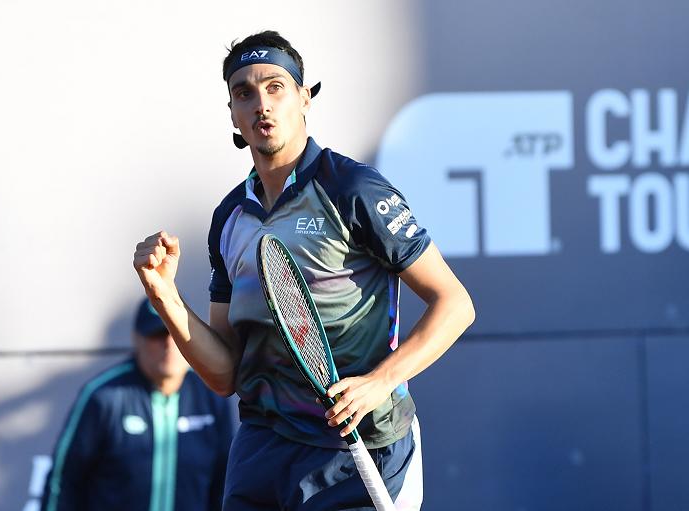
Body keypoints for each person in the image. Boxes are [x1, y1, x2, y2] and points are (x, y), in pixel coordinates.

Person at [133, 30, 475, 510]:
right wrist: (164, 295)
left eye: (275, 87)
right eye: (244, 93)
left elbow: (455, 304)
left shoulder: (353, 188)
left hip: (361, 450)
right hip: (261, 451)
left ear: (305, 98)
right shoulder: (228, 218)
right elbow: (225, 374)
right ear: (232, 114)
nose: (261, 105)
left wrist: (379, 382)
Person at [40, 298, 234, 511]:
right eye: (157, 334)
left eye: (175, 332)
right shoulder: (103, 396)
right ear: (136, 339)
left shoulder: (211, 397)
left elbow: (225, 482)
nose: (168, 344)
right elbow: (64, 479)